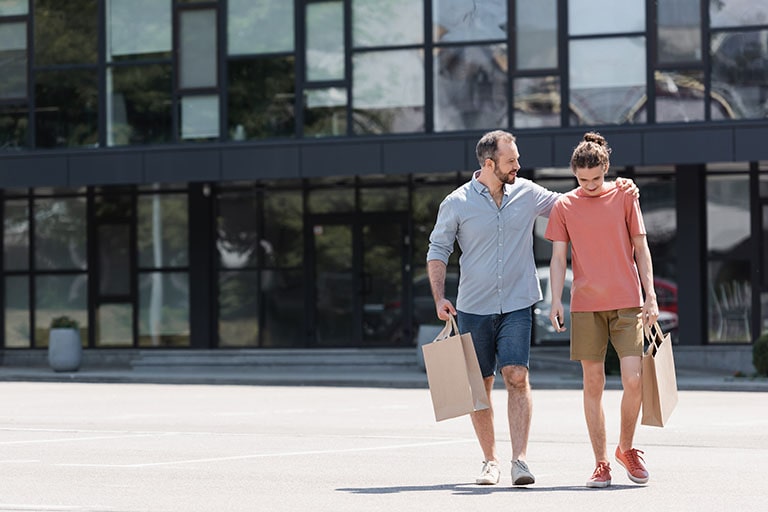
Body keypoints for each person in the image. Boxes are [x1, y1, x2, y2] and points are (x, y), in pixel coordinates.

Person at [426, 130, 637, 486]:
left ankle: (519, 460)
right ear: (490, 164)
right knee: (482, 383)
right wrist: (438, 297)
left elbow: (576, 198)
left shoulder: (526, 192)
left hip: (518, 303)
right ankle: (489, 460)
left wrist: (619, 186)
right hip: (474, 306)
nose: (518, 166)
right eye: (512, 161)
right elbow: (437, 250)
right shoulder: (457, 202)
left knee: (516, 376)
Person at [544, 131, 658, 488]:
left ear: (606, 169)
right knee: (592, 383)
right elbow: (559, 256)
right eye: (582, 179)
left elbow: (641, 249)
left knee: (634, 381)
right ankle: (601, 462)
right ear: (574, 174)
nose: (589, 185)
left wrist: (650, 295)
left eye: (595, 178)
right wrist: (554, 300)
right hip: (586, 305)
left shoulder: (625, 196)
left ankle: (626, 448)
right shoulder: (564, 206)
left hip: (627, 302)